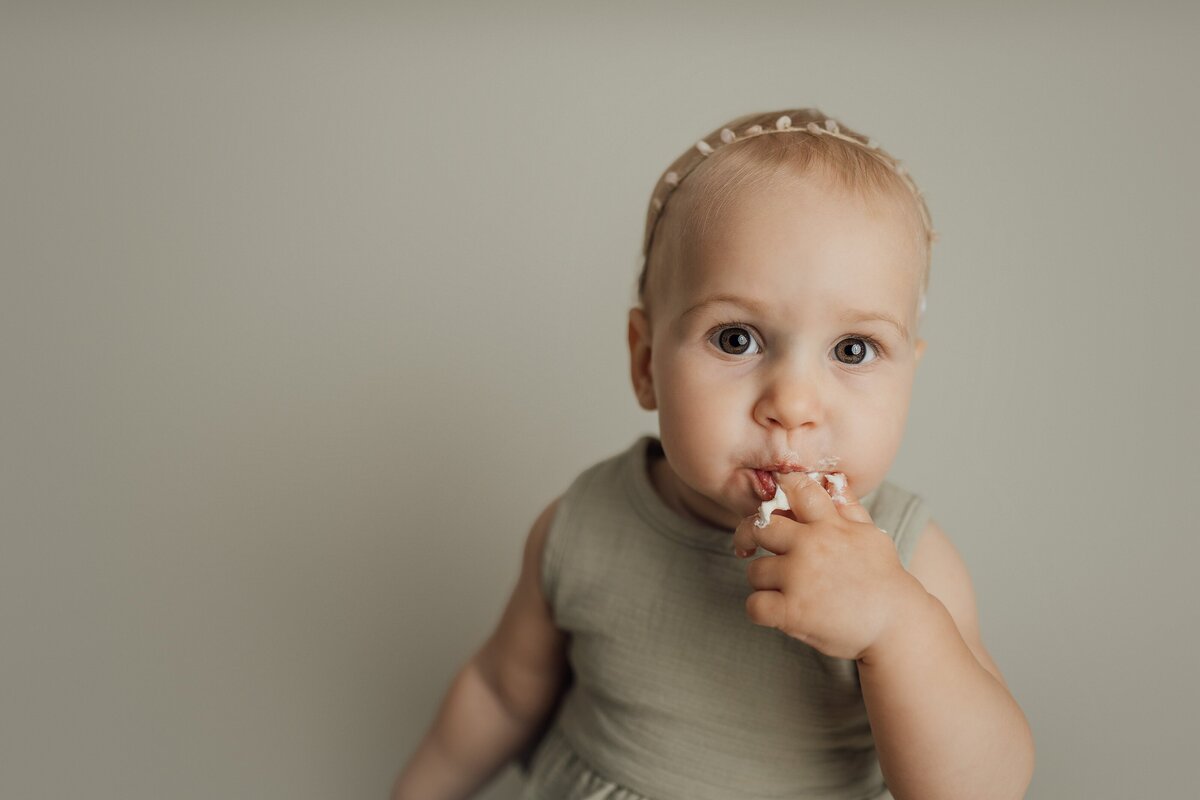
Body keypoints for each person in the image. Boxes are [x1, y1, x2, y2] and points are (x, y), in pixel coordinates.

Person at [391, 108, 1035, 799]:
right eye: (736, 339)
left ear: (910, 370)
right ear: (645, 362)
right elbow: (500, 692)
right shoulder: (583, 524)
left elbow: (984, 787)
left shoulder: (910, 561)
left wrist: (895, 626)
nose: (792, 403)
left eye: (853, 350)